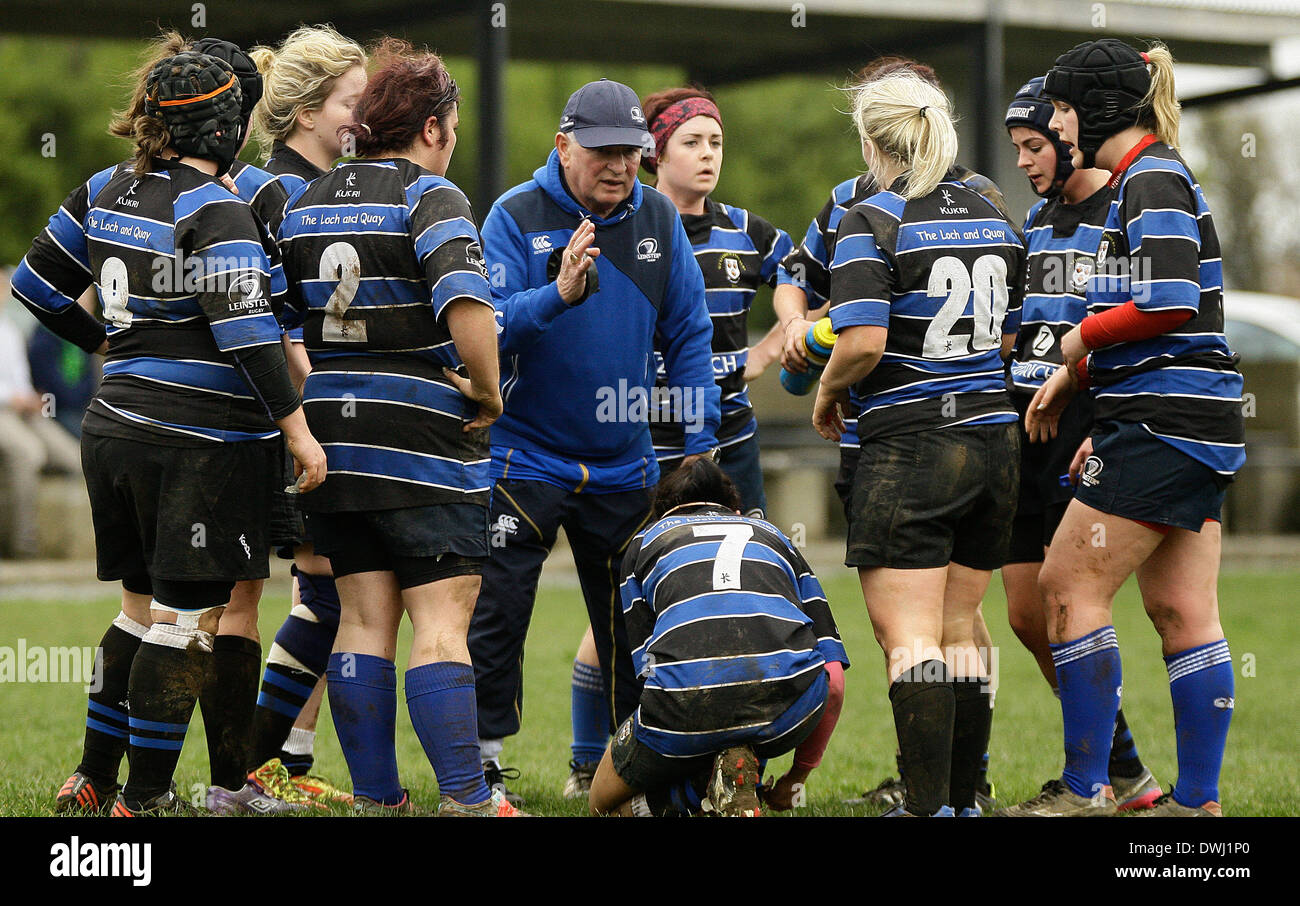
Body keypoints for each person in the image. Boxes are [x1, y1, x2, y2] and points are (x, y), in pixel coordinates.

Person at [19, 48, 327, 816]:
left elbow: (33, 284)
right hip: (197, 442)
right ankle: (146, 799)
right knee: (185, 621)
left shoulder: (104, 187)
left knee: (136, 611)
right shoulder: (215, 207)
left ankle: (94, 779)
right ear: (222, 126)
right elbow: (249, 331)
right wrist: (297, 428)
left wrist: (110, 347)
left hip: (112, 427)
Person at [999, 40, 1243, 818]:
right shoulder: (1147, 177)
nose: (1057, 123)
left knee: (1066, 586)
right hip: (1188, 418)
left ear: (1096, 111)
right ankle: (1193, 806)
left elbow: (1169, 299)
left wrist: (1079, 343)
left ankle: (1086, 790)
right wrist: (1079, 375)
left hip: (1164, 421)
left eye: (1063, 110)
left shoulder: (1154, 176)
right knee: (1182, 613)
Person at [278, 40, 519, 817]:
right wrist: (486, 391)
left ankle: (378, 799)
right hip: (421, 434)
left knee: (360, 619)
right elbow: (468, 308)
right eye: (451, 125)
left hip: (333, 438)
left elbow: (281, 326)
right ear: (433, 128)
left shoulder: (305, 200)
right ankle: (465, 798)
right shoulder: (429, 196)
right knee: (442, 622)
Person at [471, 78, 720, 802]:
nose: (620, 166)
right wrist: (560, 293)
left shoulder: (660, 220)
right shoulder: (514, 214)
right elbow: (486, 327)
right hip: (525, 459)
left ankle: (630, 775)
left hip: (624, 465)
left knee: (633, 628)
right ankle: (483, 768)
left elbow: (690, 335)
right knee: (497, 614)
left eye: (632, 153)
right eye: (603, 151)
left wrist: (698, 439)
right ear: (562, 145)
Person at [777, 56, 1009, 812]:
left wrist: (827, 390)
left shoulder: (870, 215)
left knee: (910, 640)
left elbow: (864, 341)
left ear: (872, 144)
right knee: (961, 629)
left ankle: (929, 805)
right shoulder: (991, 204)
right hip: (994, 444)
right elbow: (1011, 337)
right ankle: (967, 799)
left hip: (911, 447)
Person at [561, 85, 793, 800]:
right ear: (654, 151)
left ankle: (736, 766)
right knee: (627, 607)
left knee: (738, 598)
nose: (707, 155)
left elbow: (794, 275)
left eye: (716, 142)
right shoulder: (629, 227)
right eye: (691, 142)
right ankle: (587, 759)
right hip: (645, 445)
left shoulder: (746, 230)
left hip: (725, 445)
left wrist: (773, 341)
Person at [1001, 75, 1161, 811]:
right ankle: (1125, 773)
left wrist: (1096, 420)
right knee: (1027, 618)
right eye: (1018, 149)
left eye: (1036, 145)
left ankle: (1095, 779)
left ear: (1069, 138)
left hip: (1080, 429)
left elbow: (1133, 328)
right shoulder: (1034, 219)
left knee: (1072, 603)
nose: (1028, 161)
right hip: (1020, 433)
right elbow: (1020, 325)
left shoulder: (1120, 213)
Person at [243, 24, 368, 802]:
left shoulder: (316, 187)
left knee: (319, 589)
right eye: (353, 102)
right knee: (319, 593)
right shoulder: (276, 193)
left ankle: (280, 761)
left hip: (307, 415)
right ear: (308, 111)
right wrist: (310, 416)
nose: (363, 118)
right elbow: (280, 327)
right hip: (284, 420)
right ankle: (253, 766)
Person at [588, 457, 847, 817]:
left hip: (684, 703)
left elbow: (648, 672)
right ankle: (730, 772)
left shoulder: (646, 543)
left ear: (662, 513)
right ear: (735, 509)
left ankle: (696, 791)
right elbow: (833, 682)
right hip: (787, 710)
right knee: (749, 713)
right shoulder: (776, 537)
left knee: (602, 805)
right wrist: (796, 778)